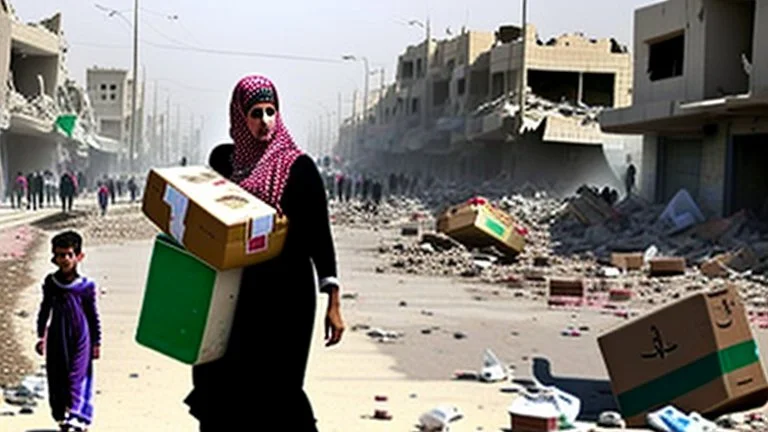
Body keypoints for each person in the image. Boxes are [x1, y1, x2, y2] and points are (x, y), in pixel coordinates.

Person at [185, 75, 345, 431]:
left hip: (286, 296)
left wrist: (333, 302)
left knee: (278, 386)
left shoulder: (298, 168)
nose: (264, 121)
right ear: (240, 116)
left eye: (271, 111)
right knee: (222, 378)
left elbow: (320, 235)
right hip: (236, 288)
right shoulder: (224, 163)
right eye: (255, 113)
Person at [35, 230, 101, 432]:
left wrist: (97, 342)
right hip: (56, 336)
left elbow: (92, 315)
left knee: (77, 376)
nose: (64, 259)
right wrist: (41, 336)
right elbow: (45, 309)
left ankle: (78, 415)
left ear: (78, 257)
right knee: (57, 376)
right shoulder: (51, 282)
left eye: (69, 255)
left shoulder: (86, 286)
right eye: (60, 255)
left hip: (81, 336)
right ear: (54, 257)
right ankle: (63, 415)